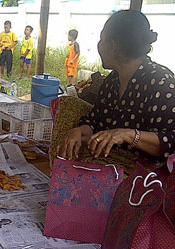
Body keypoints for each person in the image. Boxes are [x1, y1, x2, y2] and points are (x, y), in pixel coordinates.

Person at [58, 10, 175, 164]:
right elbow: (95, 121)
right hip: (113, 164)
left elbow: (171, 140)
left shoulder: (161, 82)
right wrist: (79, 132)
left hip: (149, 177)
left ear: (113, 45)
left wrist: (128, 135)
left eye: (101, 39)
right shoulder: (112, 81)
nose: (99, 45)